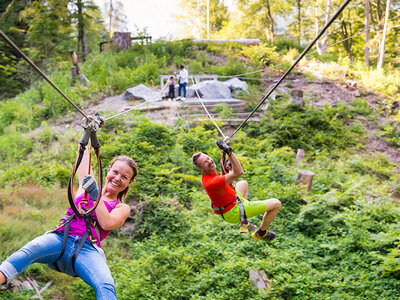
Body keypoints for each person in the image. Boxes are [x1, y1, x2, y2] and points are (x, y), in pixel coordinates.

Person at [0, 149, 138, 299]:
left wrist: (95, 194)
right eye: (115, 172)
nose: (117, 178)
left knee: (106, 283)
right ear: (109, 170)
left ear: (129, 182)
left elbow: (106, 223)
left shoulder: (121, 208)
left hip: (87, 250)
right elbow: (83, 155)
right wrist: (88, 133)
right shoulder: (86, 187)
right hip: (60, 239)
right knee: (26, 253)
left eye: (124, 177)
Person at [191, 139, 281, 241]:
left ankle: (244, 223)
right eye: (205, 162)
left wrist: (226, 148)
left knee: (243, 184)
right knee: (276, 204)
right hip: (232, 212)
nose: (209, 161)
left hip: (230, 201)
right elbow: (239, 172)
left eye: (208, 158)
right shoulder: (211, 182)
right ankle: (261, 233)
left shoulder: (208, 174)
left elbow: (224, 172)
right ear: (200, 168)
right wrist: (229, 152)